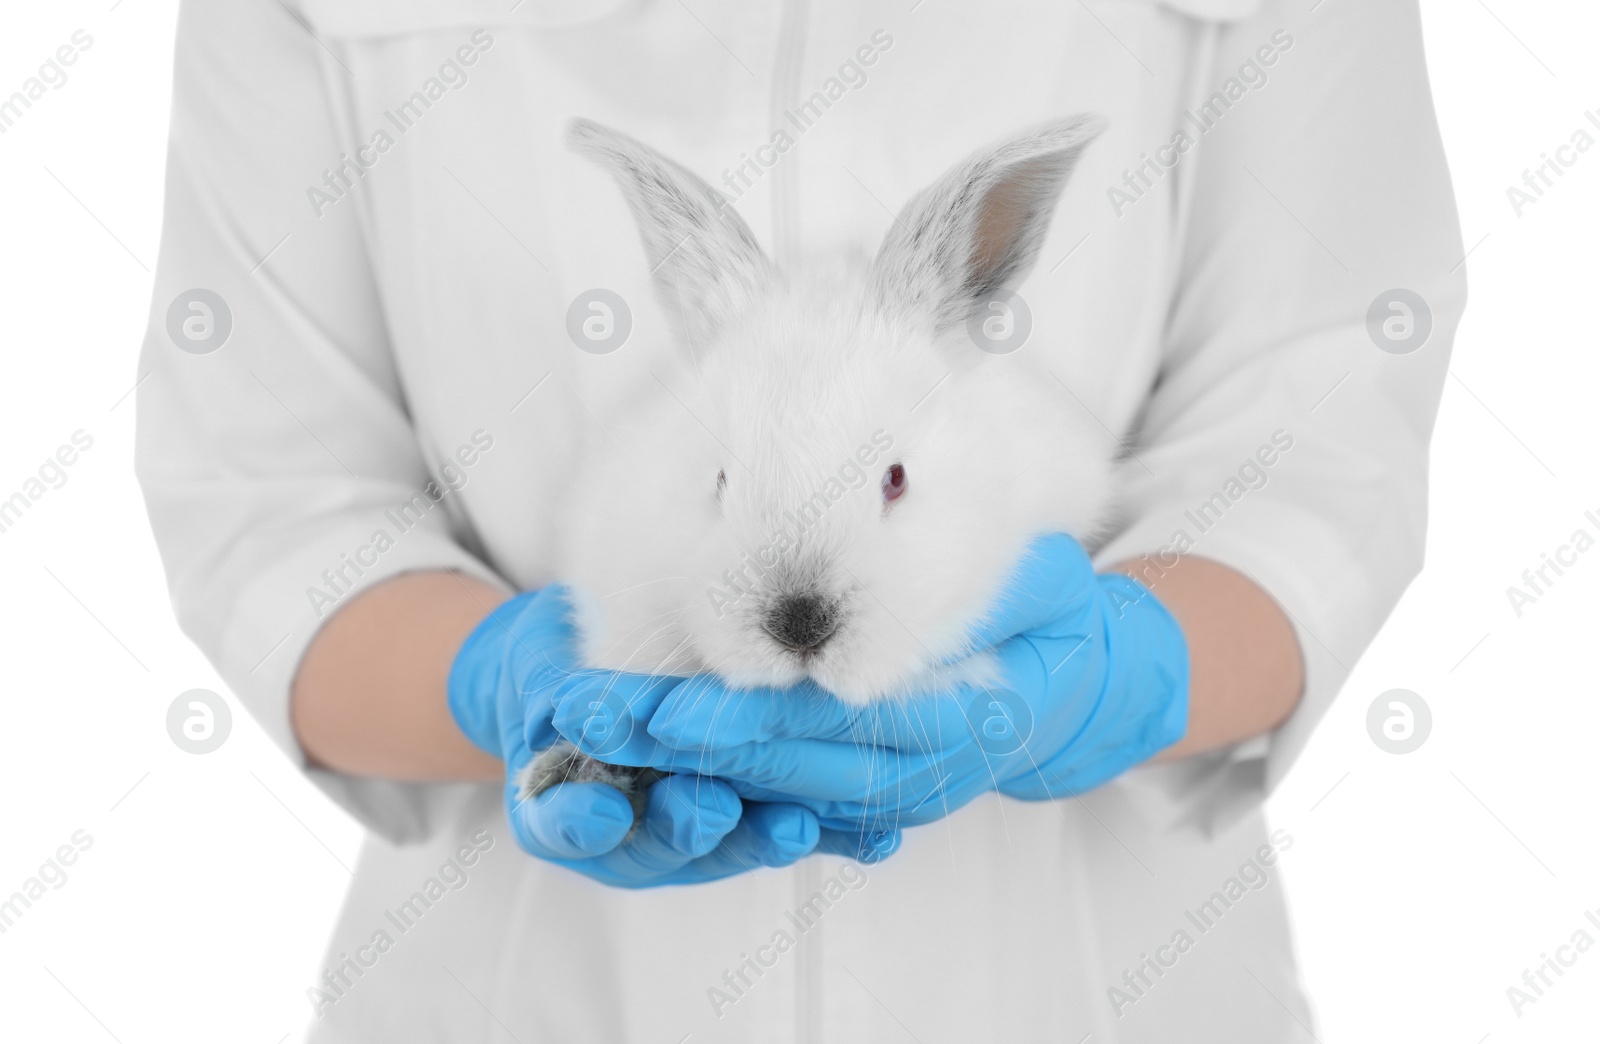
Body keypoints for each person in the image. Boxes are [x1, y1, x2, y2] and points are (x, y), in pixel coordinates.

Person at [135, 0, 1464, 1040]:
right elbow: (268, 494)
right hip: (528, 999)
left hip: (1090, 992)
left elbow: (1324, 430)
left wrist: (1126, 667)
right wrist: (499, 692)